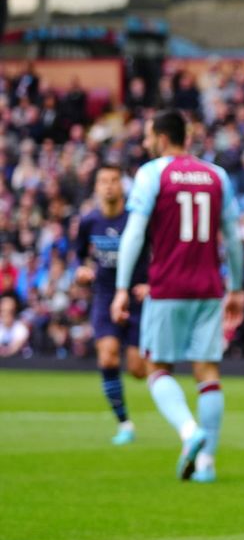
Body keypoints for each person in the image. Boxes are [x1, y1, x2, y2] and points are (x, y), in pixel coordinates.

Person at [112, 109, 244, 484]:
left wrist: (121, 288)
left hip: (167, 285)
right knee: (207, 372)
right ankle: (207, 464)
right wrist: (236, 287)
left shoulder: (152, 173)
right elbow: (233, 238)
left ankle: (189, 432)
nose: (145, 143)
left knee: (157, 368)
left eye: (147, 136)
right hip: (208, 287)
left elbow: (134, 234)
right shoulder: (216, 175)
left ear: (161, 137)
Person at [76, 163, 148, 445]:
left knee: (138, 370)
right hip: (105, 296)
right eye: (103, 181)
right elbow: (79, 255)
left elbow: (159, 252)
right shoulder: (88, 222)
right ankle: (124, 424)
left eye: (114, 180)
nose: (109, 186)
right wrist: (81, 270)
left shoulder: (136, 219)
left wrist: (151, 283)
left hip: (137, 298)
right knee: (107, 357)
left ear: (122, 186)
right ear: (96, 187)